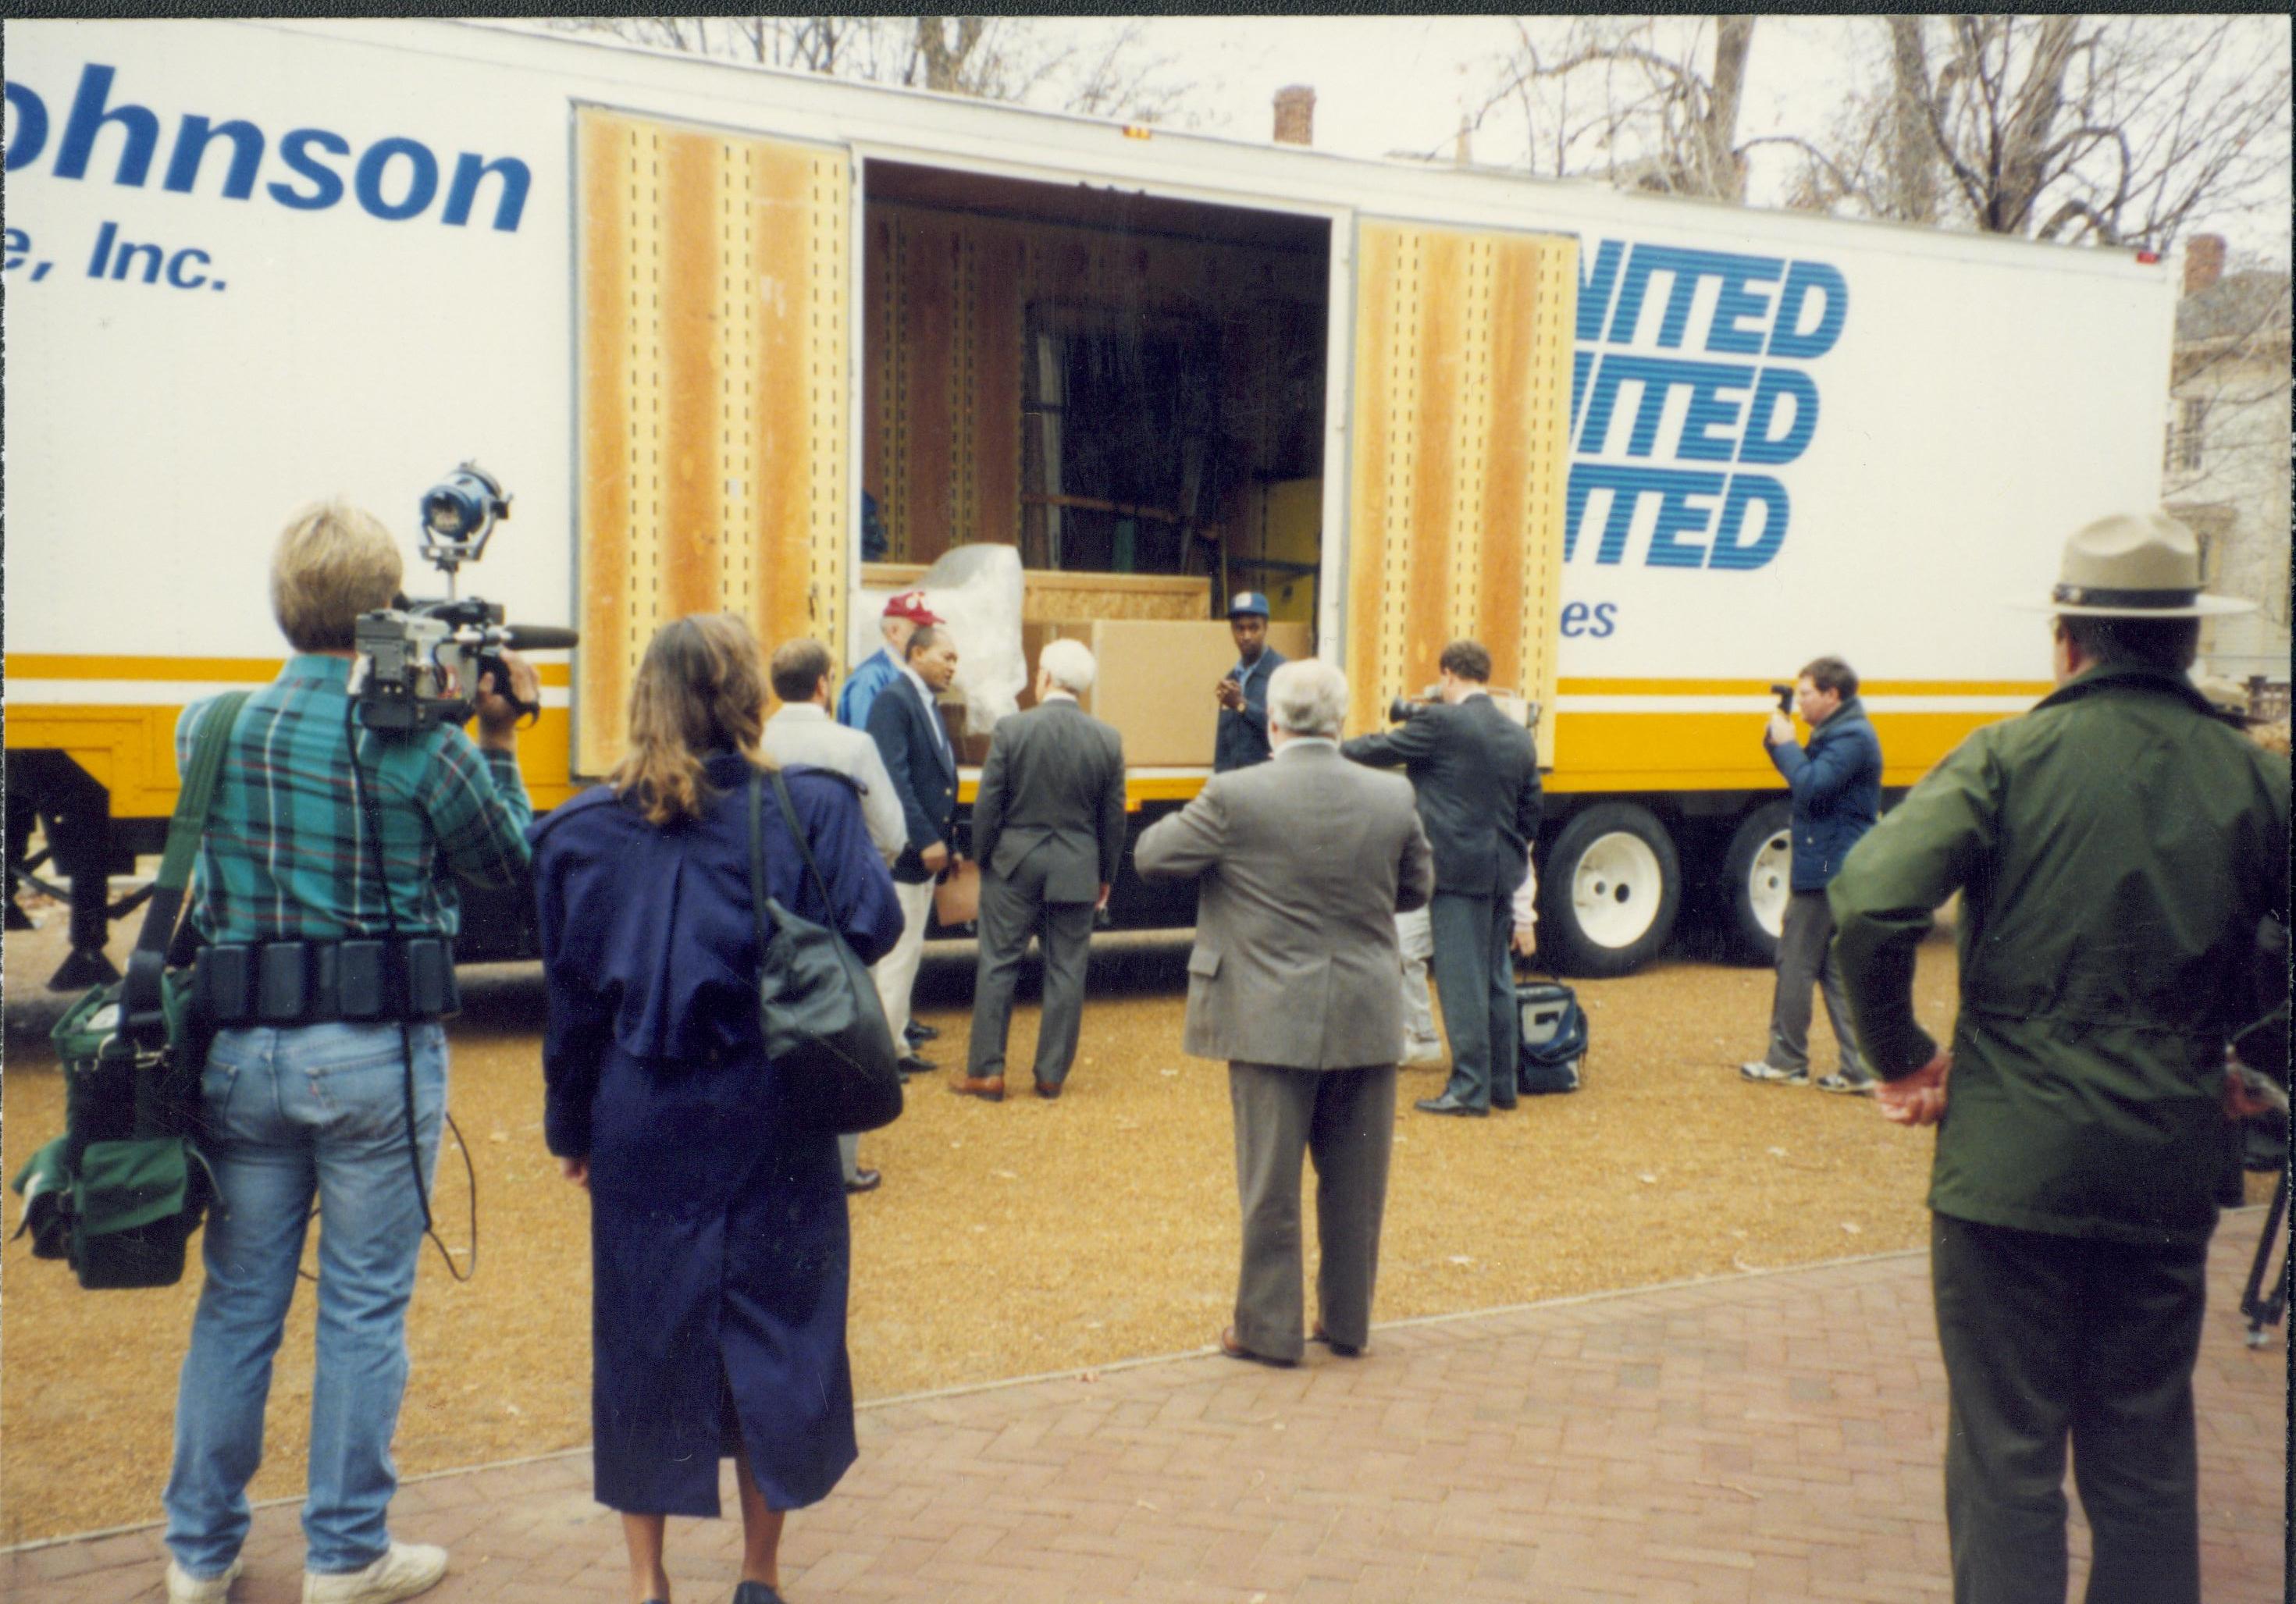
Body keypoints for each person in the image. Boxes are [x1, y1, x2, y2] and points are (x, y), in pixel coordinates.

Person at [1830, 510, 2289, 1604]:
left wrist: (1900, 1057)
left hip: (2007, 1166)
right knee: (2143, 1454)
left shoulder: (2006, 755)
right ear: (2187, 642)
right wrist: (2254, 1058)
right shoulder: (2255, 777)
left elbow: (1871, 902)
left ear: (2065, 641)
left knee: (2006, 1456)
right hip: (2164, 1159)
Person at [162, 502, 537, 1604]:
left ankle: (197, 1552)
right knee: (365, 1306)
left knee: (238, 1303)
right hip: (376, 1054)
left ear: (284, 604)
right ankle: (345, 1552)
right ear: (388, 612)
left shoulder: (209, 726)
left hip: (242, 1056)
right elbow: (505, 866)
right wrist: (500, 738)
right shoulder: (424, 746)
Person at [530, 614, 903, 1604]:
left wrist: (570, 1130)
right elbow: (875, 922)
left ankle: (649, 1584)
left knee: (644, 1340)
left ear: (644, 696)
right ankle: (758, 1574)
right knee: (780, 1329)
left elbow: (569, 1012)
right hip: (777, 1104)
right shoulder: (808, 808)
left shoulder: (579, 833)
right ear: (749, 695)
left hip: (642, 1112)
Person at [1137, 658, 1432, 1364]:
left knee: (1269, 1184)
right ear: (1340, 722)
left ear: (1271, 721)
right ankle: (1347, 1321)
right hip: (1364, 1004)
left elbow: (1152, 856)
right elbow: (1417, 885)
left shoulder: (1236, 794)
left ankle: (1269, 1329)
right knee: (1357, 1182)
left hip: (1268, 1012)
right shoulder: (1390, 796)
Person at [1341, 639, 1542, 1117]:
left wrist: (1327, 747)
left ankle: (1468, 1089)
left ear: (1450, 675)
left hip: (1454, 872)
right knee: (1495, 977)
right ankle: (1501, 1085)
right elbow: (1532, 811)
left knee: (1460, 980)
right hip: (1501, 870)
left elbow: (1381, 749)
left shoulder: (1440, 723)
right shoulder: (1518, 735)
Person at [760, 637, 906, 1193]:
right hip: (834, 906)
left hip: (769, 899)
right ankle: (841, 1166)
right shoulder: (853, 743)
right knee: (843, 1023)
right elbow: (890, 833)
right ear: (825, 683)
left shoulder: (757, 740)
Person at [956, 638, 1127, 1101]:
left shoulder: (1012, 730)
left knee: (997, 965)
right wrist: (1105, 873)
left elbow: (987, 805)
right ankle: (1051, 1074)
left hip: (1014, 862)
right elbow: (1113, 819)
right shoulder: (1107, 739)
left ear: (1045, 677)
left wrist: (984, 856)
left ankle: (987, 1071)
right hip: (1076, 865)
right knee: (1067, 970)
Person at [1738, 656, 1882, 1094]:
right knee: (1832, 967)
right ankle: (1859, 1067)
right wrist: (1778, 737)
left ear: (1832, 694)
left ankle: (1787, 1059)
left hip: (1827, 863)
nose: (1799, 703)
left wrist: (1786, 745)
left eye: (1805, 694)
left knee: (1796, 958)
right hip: (1835, 858)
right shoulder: (1844, 731)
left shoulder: (1852, 737)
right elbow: (1805, 774)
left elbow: (1811, 785)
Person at [865, 622, 962, 1076]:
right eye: (946, 657)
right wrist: (925, 838)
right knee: (898, 956)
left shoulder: (924, 702)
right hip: (909, 852)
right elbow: (893, 778)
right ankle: (883, 1056)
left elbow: (937, 781)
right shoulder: (894, 702)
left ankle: (897, 1042)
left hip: (927, 853)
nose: (952, 668)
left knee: (909, 954)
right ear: (917, 653)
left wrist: (950, 842)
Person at [835, 589, 936, 732]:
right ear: (894, 632)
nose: (928, 638)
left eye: (930, 631)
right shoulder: (870, 678)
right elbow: (866, 744)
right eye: (919, 630)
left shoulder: (914, 674)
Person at [1212, 591, 1287, 773]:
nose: (1246, 636)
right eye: (1240, 628)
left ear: (1266, 627)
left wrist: (1241, 705)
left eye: (1254, 628)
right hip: (1236, 787)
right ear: (1232, 630)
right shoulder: (1231, 679)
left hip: (1269, 784)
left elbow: (1287, 730)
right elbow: (1223, 742)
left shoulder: (1284, 673)